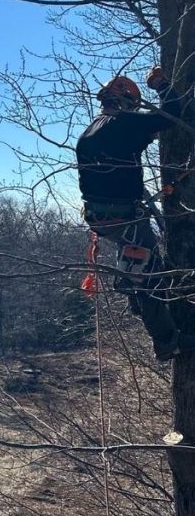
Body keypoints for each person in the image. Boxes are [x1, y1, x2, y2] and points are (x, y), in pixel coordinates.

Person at [76, 67, 191, 360]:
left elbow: (118, 164)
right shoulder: (123, 124)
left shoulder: (90, 131)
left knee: (141, 265)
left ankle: (135, 291)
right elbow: (171, 114)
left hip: (103, 217)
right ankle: (168, 342)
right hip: (123, 217)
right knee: (149, 278)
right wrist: (162, 85)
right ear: (126, 100)